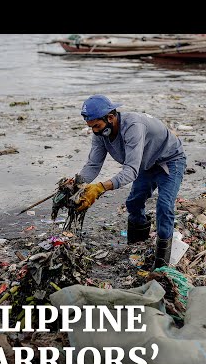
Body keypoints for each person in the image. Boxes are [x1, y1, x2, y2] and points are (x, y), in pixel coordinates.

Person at [75, 94, 186, 269]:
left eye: (97, 126)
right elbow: (93, 165)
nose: (94, 131)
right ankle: (136, 247)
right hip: (146, 163)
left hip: (169, 161)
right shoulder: (100, 133)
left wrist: (101, 187)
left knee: (164, 206)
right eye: (91, 127)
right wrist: (77, 184)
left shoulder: (133, 126)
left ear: (110, 117)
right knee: (134, 202)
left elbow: (131, 171)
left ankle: (161, 264)